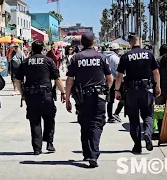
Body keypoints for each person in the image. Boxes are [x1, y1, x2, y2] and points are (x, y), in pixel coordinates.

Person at [65, 32, 113, 168]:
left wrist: (67, 98)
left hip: (82, 97)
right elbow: (110, 79)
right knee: (97, 123)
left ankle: (87, 152)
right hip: (99, 96)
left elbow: (69, 81)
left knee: (84, 123)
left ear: (81, 43)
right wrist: (105, 91)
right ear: (94, 42)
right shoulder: (101, 57)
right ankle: (93, 155)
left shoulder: (76, 58)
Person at [14, 40, 66, 155]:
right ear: (43, 49)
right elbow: (57, 78)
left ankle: (37, 148)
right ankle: (49, 143)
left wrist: (22, 93)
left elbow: (17, 80)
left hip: (31, 95)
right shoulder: (48, 61)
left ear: (32, 49)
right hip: (46, 94)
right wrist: (63, 92)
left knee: (34, 121)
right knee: (49, 119)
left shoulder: (26, 62)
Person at [115, 33, 161, 154]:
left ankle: (137, 146)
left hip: (131, 91)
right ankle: (147, 132)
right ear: (139, 41)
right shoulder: (149, 54)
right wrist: (158, 87)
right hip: (146, 89)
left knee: (133, 119)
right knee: (148, 115)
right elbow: (156, 72)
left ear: (130, 43)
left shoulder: (125, 56)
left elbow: (119, 75)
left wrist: (117, 90)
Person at [103, 43, 122, 123]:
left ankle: (110, 116)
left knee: (109, 100)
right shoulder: (116, 58)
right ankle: (116, 113)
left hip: (105, 79)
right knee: (123, 97)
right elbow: (119, 71)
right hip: (115, 80)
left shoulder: (104, 56)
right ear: (116, 50)